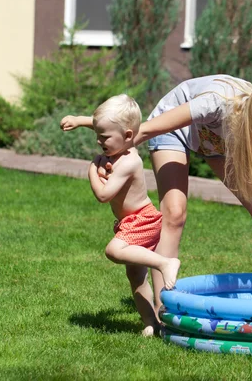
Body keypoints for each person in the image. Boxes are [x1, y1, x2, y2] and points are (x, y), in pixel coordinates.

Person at [60, 75, 252, 312]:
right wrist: (108, 157)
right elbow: (145, 131)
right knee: (174, 213)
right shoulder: (217, 103)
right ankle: (164, 307)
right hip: (174, 131)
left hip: (215, 141)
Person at [82, 94, 181, 337]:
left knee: (113, 251)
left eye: (103, 138)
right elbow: (107, 126)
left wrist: (92, 171)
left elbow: (104, 195)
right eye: (97, 134)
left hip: (142, 220)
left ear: (127, 136)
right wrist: (79, 119)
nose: (98, 141)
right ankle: (152, 323)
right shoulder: (124, 143)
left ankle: (165, 262)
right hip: (131, 221)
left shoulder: (128, 162)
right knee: (136, 278)